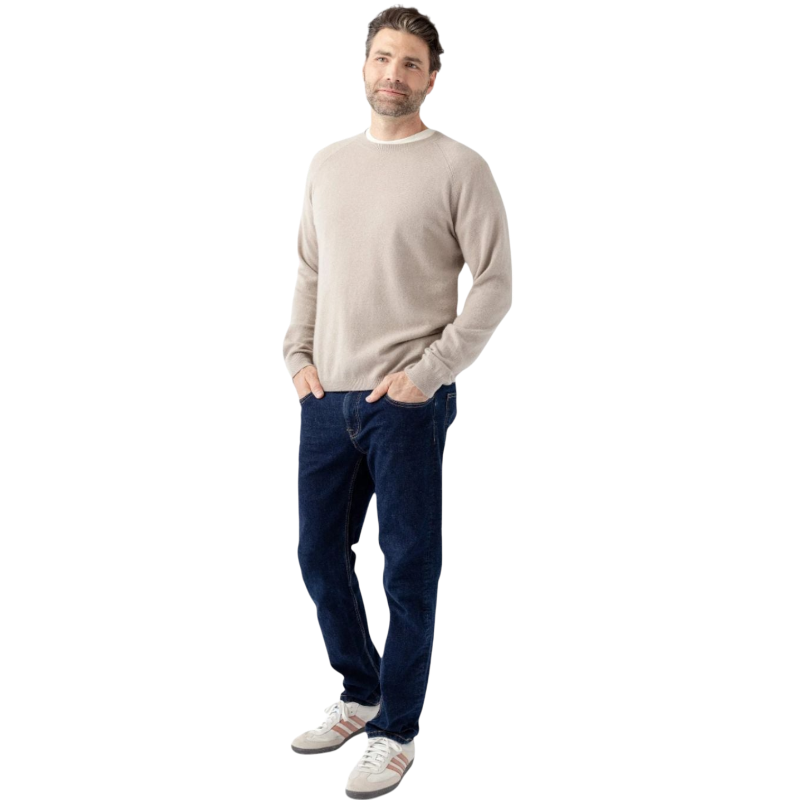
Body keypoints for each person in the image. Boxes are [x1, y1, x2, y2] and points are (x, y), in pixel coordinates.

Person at [284, 6, 513, 797]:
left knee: (407, 572)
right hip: (326, 396)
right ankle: (359, 694)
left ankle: (397, 732)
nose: (394, 73)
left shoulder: (459, 166)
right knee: (319, 558)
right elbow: (311, 268)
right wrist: (297, 355)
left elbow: (496, 285)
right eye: (383, 58)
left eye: (411, 63)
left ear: (432, 80)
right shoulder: (327, 163)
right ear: (363, 67)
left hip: (407, 401)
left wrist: (433, 372)